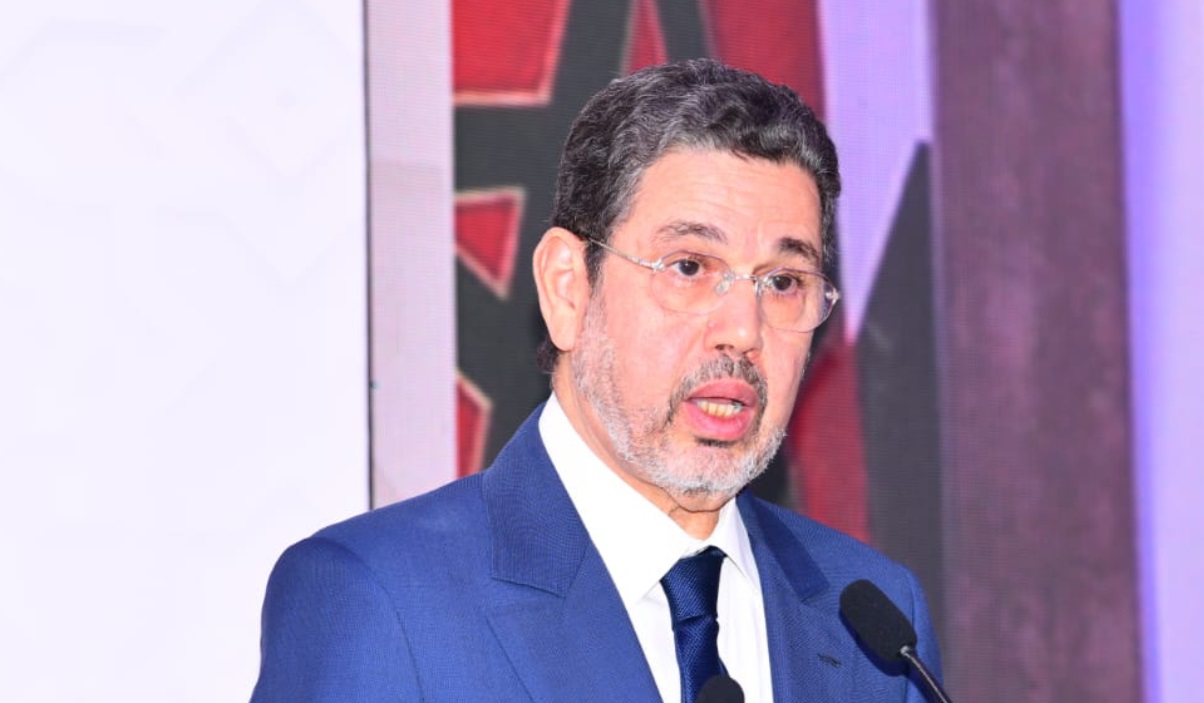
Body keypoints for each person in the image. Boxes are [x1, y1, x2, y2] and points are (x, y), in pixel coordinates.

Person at [251, 58, 941, 702]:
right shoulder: (381, 598)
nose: (743, 329)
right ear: (568, 288)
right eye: (689, 267)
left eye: (784, 282)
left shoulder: (874, 624)